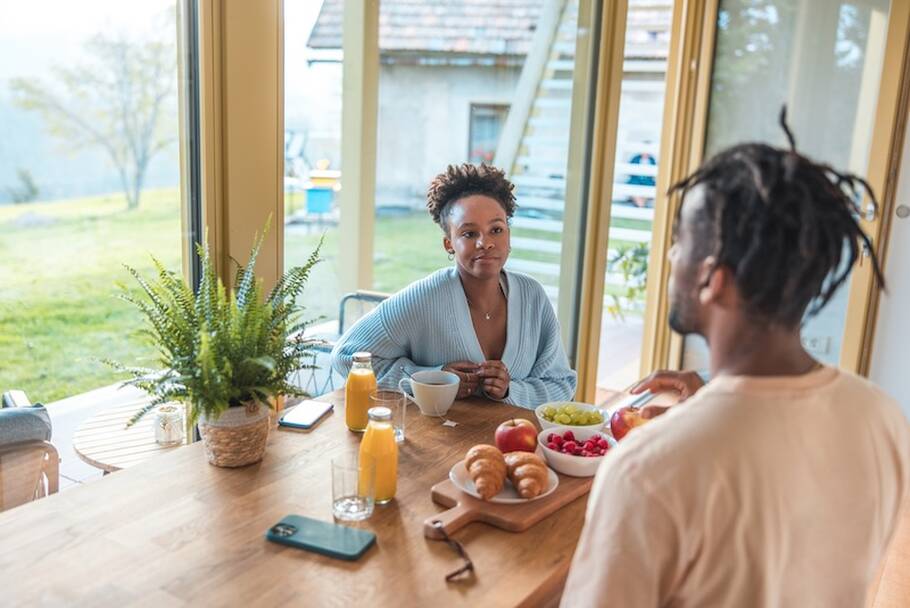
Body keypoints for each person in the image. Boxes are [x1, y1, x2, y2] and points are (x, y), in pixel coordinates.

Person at [562, 112, 910, 607]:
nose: (669, 256)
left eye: (679, 240)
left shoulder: (650, 470)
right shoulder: (883, 417)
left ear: (711, 279)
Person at [331, 163, 576, 408]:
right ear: (449, 244)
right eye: (469, 234)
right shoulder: (424, 297)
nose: (485, 243)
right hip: (437, 443)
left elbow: (561, 383)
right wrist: (431, 378)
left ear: (508, 235)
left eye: (496, 230)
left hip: (514, 444)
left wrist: (510, 390)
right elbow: (346, 356)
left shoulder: (533, 297)